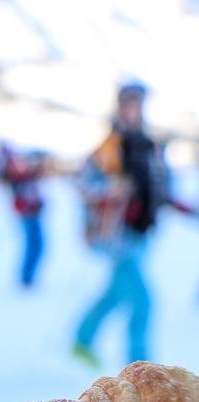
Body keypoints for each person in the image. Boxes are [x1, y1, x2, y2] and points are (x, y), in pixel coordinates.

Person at [73, 82, 165, 367]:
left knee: (116, 293)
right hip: (116, 235)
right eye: (129, 102)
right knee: (142, 300)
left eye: (138, 102)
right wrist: (111, 188)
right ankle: (140, 367)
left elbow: (158, 186)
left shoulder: (149, 145)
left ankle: (82, 338)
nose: (133, 108)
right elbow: (83, 184)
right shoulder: (109, 148)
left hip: (141, 233)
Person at [0, 144, 46, 287]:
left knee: (37, 245)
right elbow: (21, 198)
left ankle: (28, 275)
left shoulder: (26, 176)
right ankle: (26, 276)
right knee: (34, 244)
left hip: (32, 214)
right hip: (27, 215)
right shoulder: (16, 179)